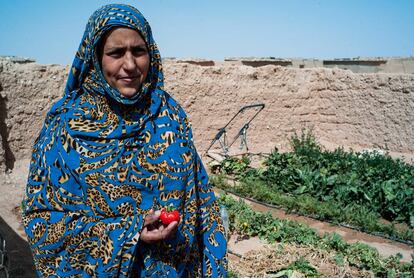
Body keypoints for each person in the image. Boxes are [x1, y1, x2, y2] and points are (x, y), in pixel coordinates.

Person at [22, 4, 227, 277]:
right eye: (116, 53)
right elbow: (42, 224)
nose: (129, 65)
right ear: (96, 57)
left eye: (138, 51)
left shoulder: (169, 114)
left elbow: (202, 204)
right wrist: (129, 232)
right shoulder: (66, 124)